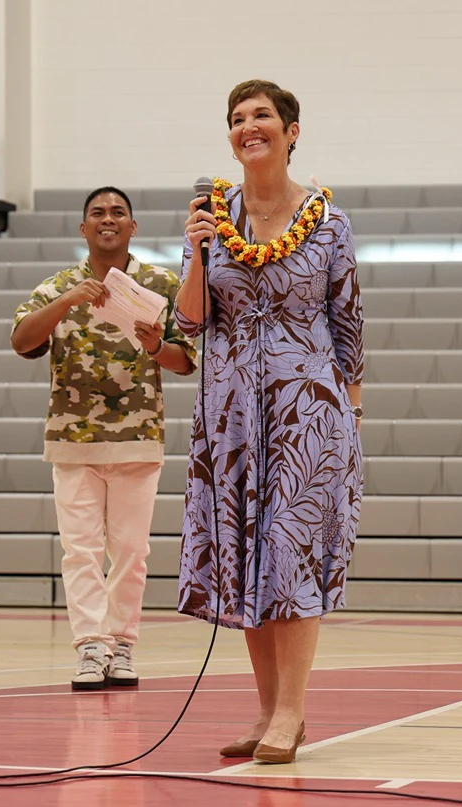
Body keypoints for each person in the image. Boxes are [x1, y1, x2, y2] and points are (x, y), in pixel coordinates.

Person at [175, 79, 363, 764]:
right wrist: (195, 250)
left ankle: (292, 711)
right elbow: (190, 321)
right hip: (228, 417)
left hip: (307, 412)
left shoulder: (329, 222)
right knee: (244, 560)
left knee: (289, 554)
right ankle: (263, 710)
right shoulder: (211, 217)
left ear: (290, 132)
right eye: (235, 118)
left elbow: (349, 323)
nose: (246, 127)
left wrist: (353, 411)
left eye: (260, 116)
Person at [12, 187, 198, 689]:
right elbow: (22, 340)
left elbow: (187, 361)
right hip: (73, 440)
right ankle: (90, 645)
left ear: (133, 227)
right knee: (80, 550)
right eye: (98, 213)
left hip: (139, 435)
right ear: (84, 228)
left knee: (132, 550)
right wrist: (68, 302)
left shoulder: (160, 283)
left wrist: (157, 345)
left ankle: (121, 644)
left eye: (119, 212)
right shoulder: (59, 285)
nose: (108, 219)